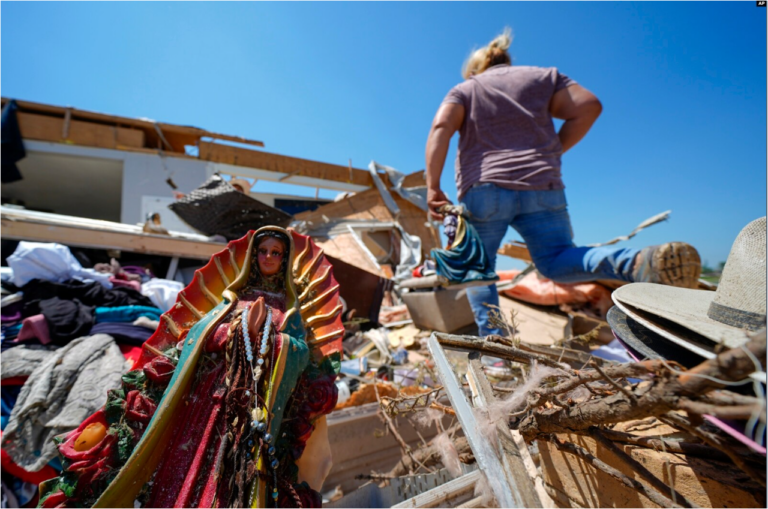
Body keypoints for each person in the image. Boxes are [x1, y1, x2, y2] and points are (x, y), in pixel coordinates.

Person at [39, 227, 342, 509]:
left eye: (276, 253)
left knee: (238, 470)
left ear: (284, 259)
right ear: (253, 255)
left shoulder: (289, 309)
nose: (268, 258)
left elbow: (301, 353)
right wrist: (234, 332)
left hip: (257, 405)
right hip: (210, 398)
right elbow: (198, 335)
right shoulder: (232, 299)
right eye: (263, 251)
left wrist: (274, 341)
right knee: (189, 459)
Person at [425, 29, 701, 336]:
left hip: (485, 188)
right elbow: (589, 106)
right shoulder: (543, 78)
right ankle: (637, 261)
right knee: (557, 260)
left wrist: (433, 187)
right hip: (543, 186)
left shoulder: (466, 89)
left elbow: (441, 126)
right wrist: (552, 149)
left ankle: (498, 352)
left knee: (478, 271)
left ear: (475, 70)